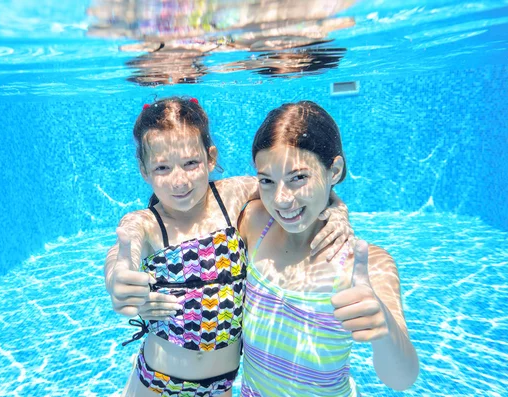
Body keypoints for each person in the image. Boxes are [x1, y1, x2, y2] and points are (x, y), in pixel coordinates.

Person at [104, 97, 354, 396]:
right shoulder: (147, 223)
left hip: (222, 386)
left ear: (210, 157)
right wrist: (119, 278)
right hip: (157, 383)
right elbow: (124, 248)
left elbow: (293, 187)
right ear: (144, 171)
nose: (179, 180)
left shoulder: (232, 198)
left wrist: (336, 207)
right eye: (162, 168)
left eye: (191, 163)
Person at [238, 101, 420, 396]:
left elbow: (402, 379)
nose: (282, 200)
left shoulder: (365, 262)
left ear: (333, 170)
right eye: (268, 181)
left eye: (299, 177)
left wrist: (383, 326)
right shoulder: (255, 222)